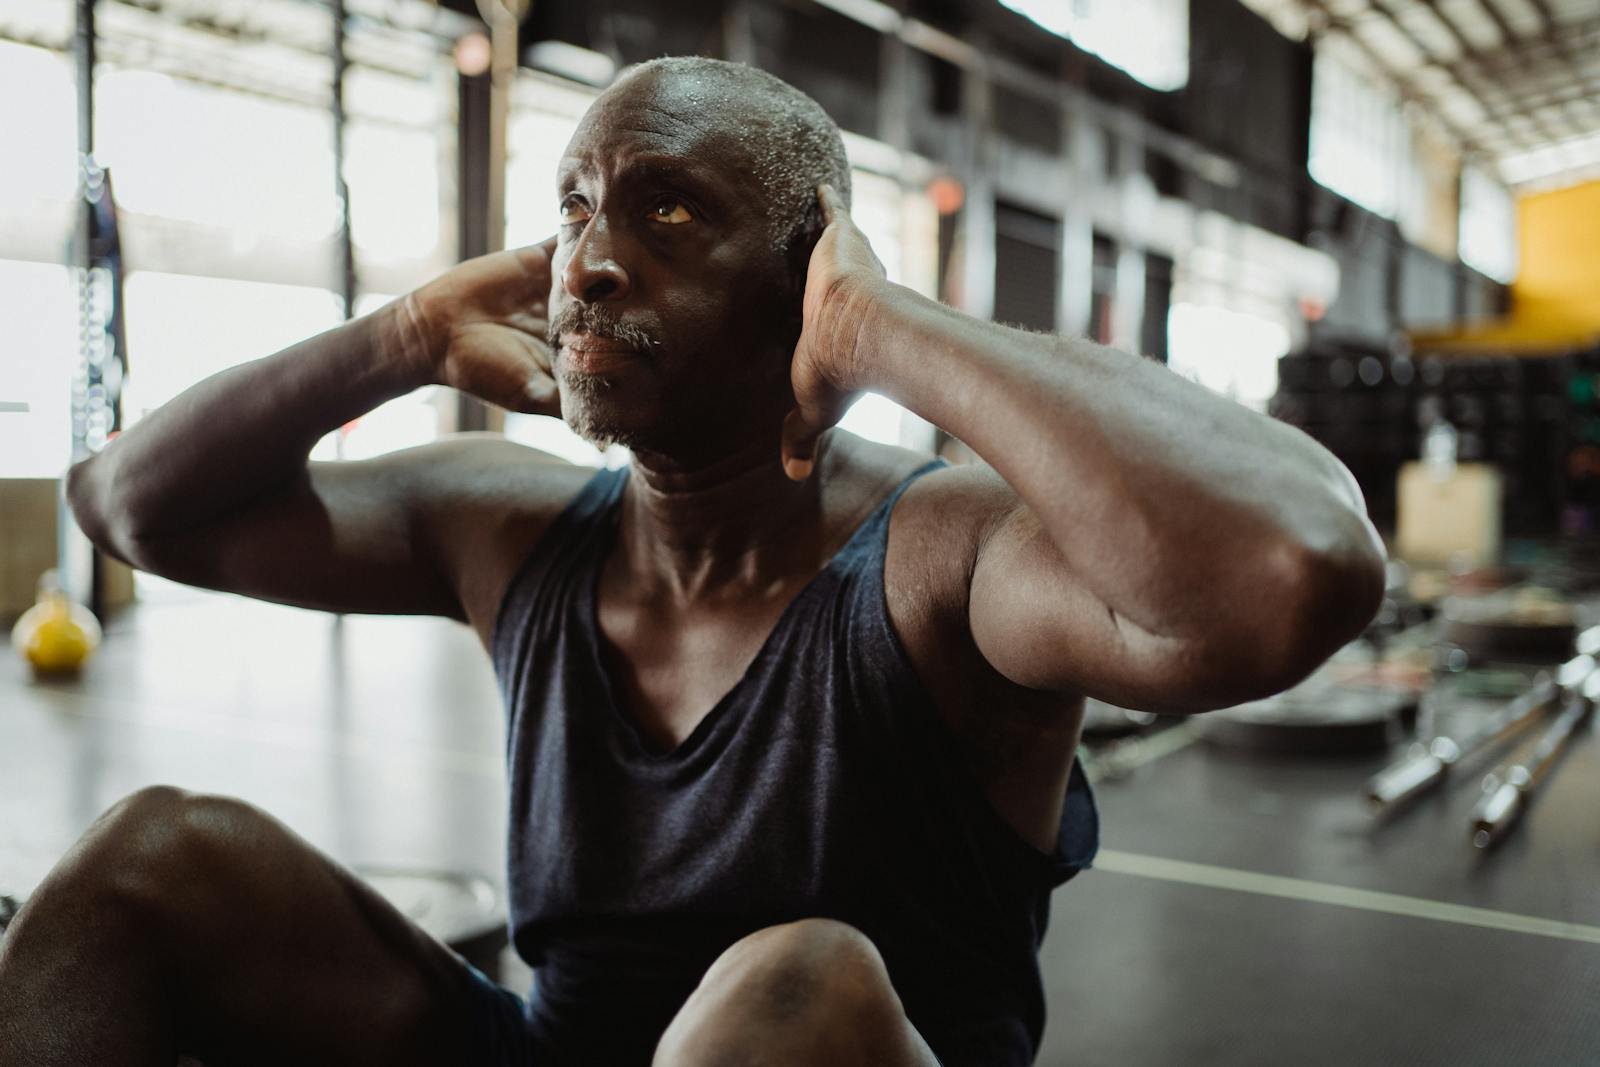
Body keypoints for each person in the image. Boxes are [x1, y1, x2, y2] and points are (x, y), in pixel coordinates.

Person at [0, 56, 1384, 1066]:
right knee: (149, 861)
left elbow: (1293, 569)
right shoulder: (514, 531)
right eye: (578, 207)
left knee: (799, 987)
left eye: (664, 212)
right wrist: (405, 335)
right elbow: (130, 507)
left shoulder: (938, 561)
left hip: (819, 1047)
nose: (587, 259)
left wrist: (888, 331)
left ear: (807, 275)